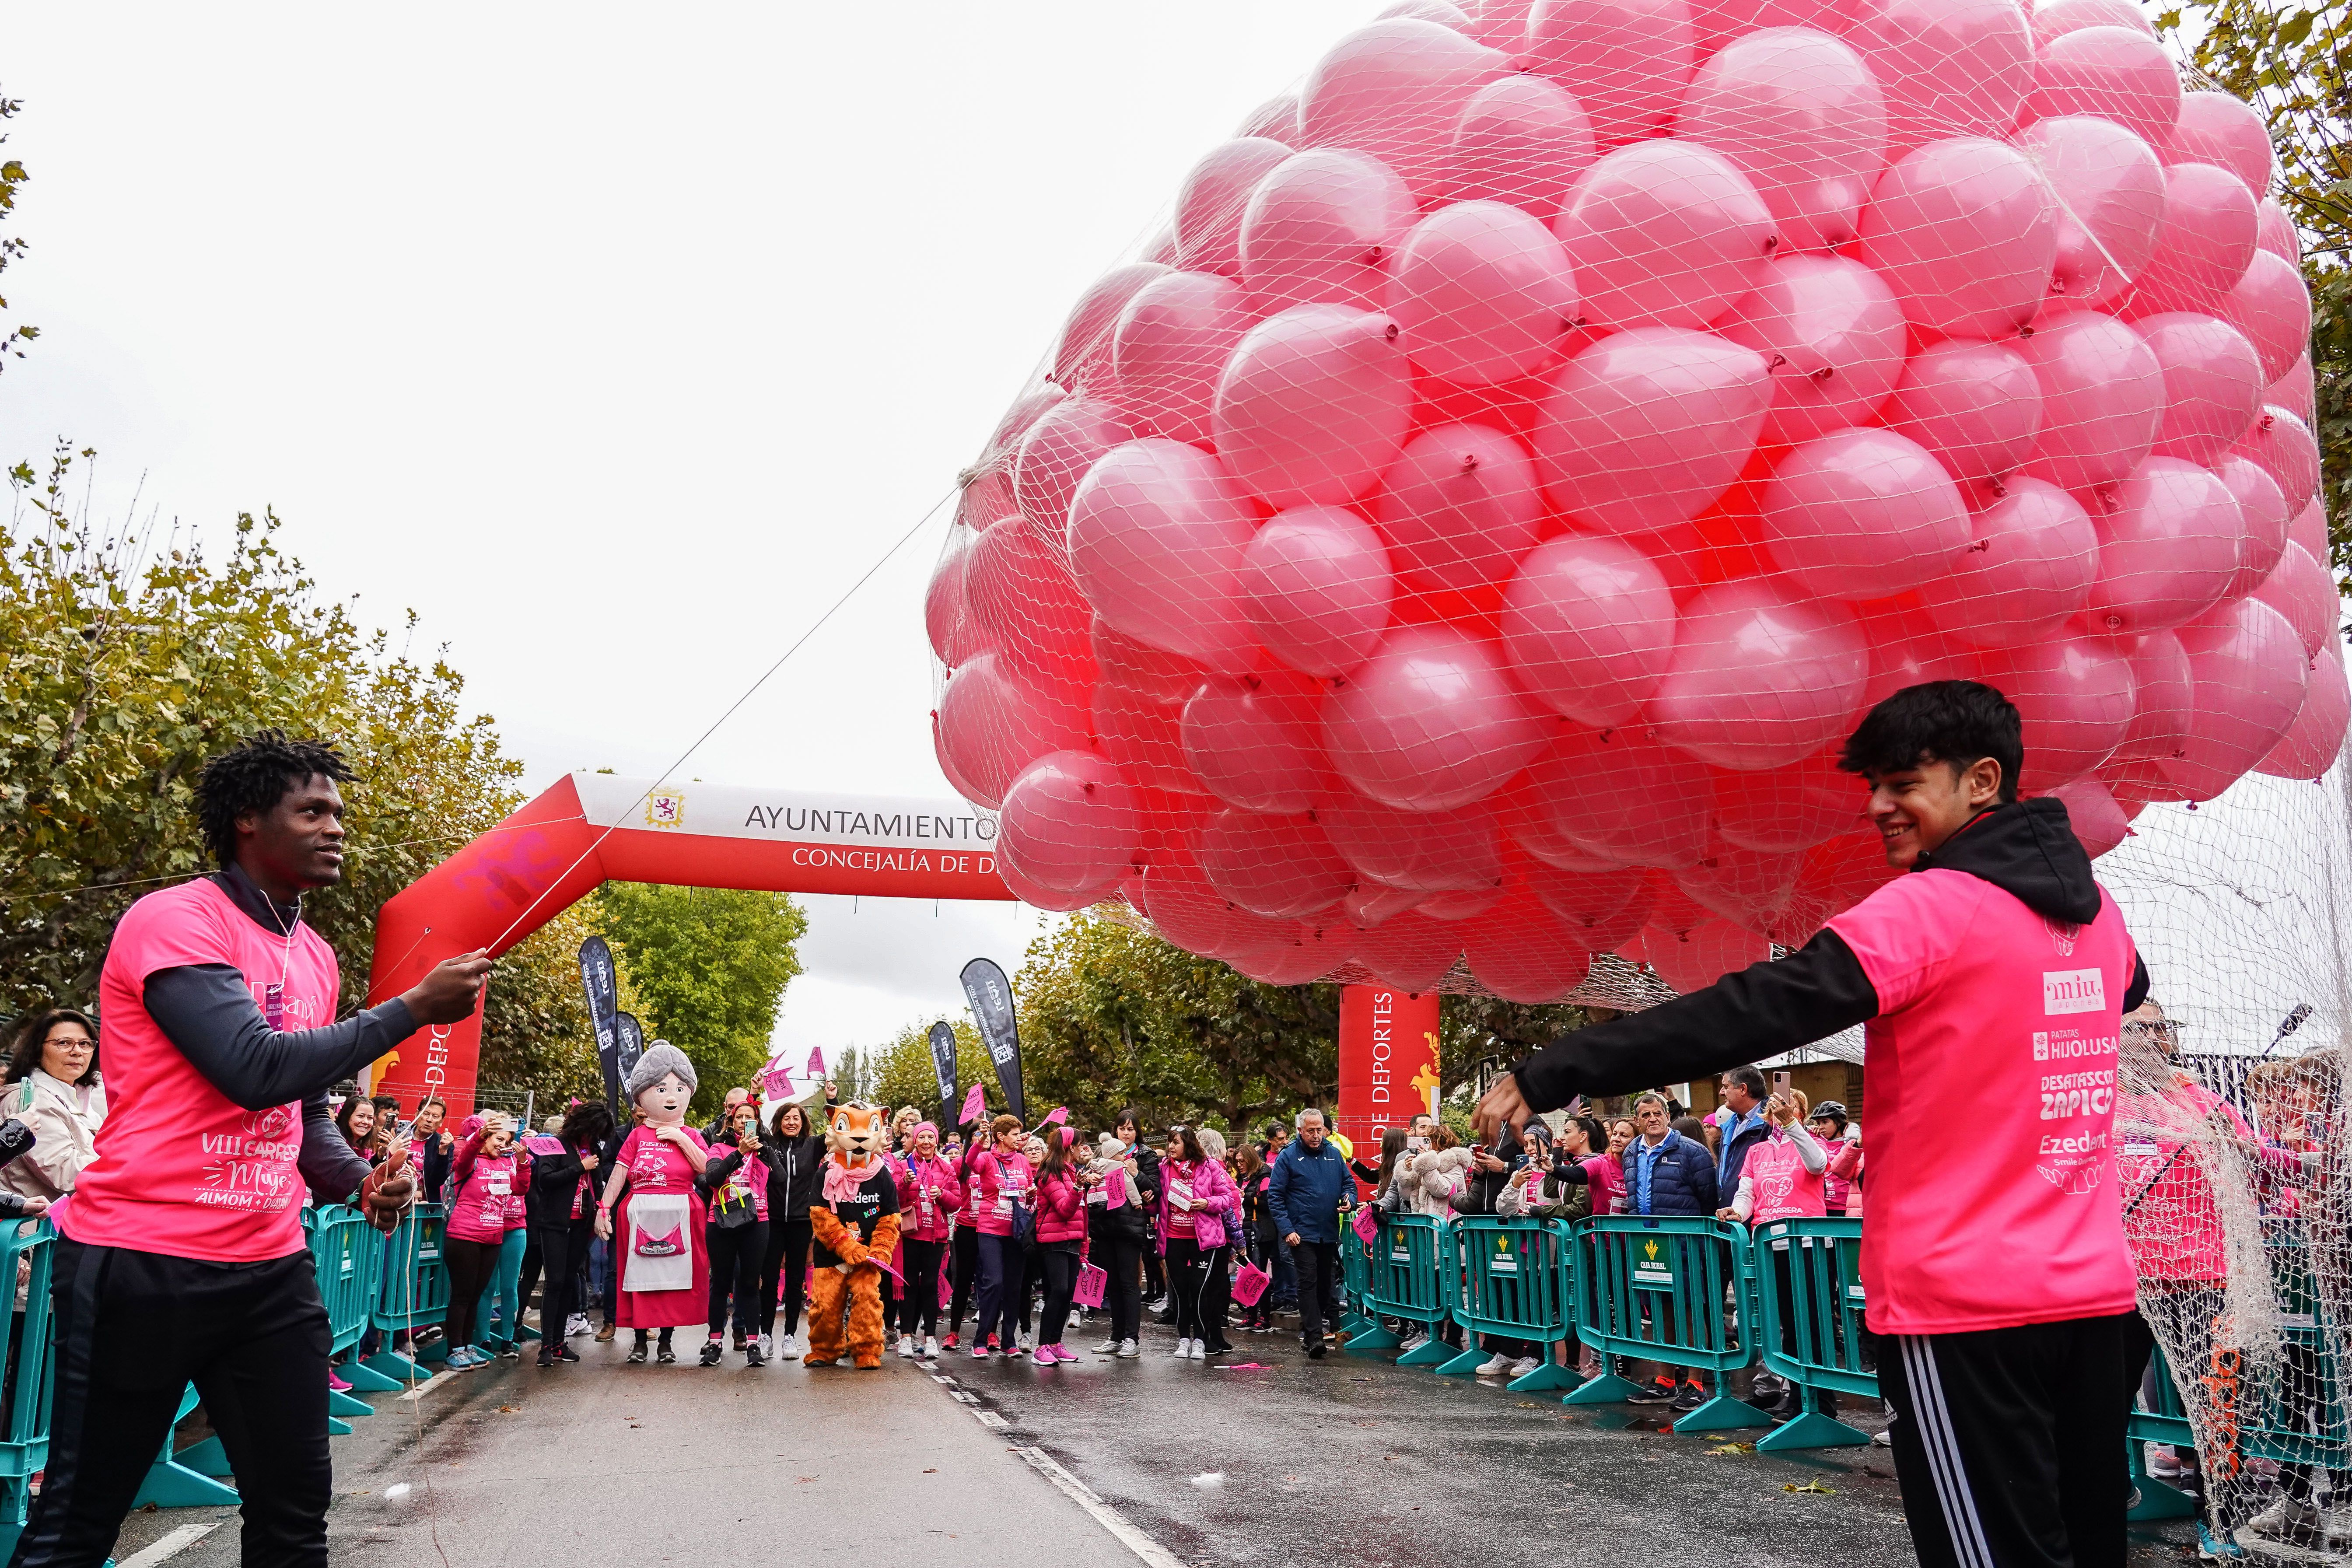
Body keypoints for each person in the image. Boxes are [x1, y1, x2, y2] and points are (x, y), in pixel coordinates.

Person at [1476, 680, 2149, 1568]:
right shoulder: (2099, 918)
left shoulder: (1932, 908)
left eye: (1902, 783)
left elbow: (1750, 1013)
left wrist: (1552, 1071)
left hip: (1966, 1312)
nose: (1877, 806)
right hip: (2096, 1302)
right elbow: (2126, 991)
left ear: (1982, 781)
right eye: (1873, 784)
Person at [16, 731, 485, 1568]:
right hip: (142, 1260)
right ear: (246, 821)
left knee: (296, 1513)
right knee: (80, 1525)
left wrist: (357, 1179)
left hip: (271, 1268)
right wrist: (410, 1007)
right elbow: (249, 1067)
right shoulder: (176, 918)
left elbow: (301, 1111)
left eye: (338, 811)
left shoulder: (315, 954)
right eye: (311, 810)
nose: (335, 826)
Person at [595, 1044, 714, 1365]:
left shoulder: (692, 1134)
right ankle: (638, 1342)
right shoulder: (636, 1136)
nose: (670, 1096)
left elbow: (706, 1168)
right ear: (643, 1096)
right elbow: (620, 1173)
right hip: (639, 1216)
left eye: (678, 1088)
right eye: (661, 1088)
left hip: (682, 1215)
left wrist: (682, 1139)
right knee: (639, 1279)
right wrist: (603, 1209)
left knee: (674, 1281)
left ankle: (666, 1341)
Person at [1614, 1092, 1719, 1409]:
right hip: (1648, 1246)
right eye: (1646, 1115)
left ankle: (1697, 1383)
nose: (1653, 1119)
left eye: (1658, 1113)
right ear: (1638, 1119)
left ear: (1667, 1116)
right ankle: (1665, 1380)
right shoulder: (1632, 1152)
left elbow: (1709, 1199)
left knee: (1690, 1309)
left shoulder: (1692, 1151)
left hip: (1685, 1241)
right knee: (1659, 1309)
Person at [442, 1112, 528, 1368]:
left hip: (493, 1238)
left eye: (506, 1140)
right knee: (462, 1295)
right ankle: (454, 1349)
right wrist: (479, 1136)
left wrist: (523, 1163)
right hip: (464, 1237)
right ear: (485, 1138)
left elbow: (520, 1189)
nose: (502, 1145)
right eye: (497, 1139)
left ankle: (468, 1346)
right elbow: (467, 1154)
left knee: (477, 1295)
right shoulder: (470, 1161)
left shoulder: (504, 1164)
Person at [529, 1100, 610, 1368]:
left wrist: (600, 1210)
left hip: (581, 1223)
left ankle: (559, 1342)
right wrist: (580, 1167)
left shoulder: (592, 1147)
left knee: (568, 1281)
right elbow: (545, 1179)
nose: (595, 1138)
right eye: (593, 1132)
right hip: (555, 1222)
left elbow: (597, 1184)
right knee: (554, 1282)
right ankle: (546, 1344)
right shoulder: (555, 1144)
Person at [1269, 1107, 1352, 1360]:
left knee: (1326, 1282)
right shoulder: (1288, 1157)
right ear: (1300, 1131)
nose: (1316, 1136)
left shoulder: (1334, 1154)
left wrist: (1349, 1199)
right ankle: (1314, 1336)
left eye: (1320, 1130)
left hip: (1327, 1230)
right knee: (1308, 1280)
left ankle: (1323, 1327)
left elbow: (1348, 1183)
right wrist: (1287, 1230)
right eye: (1311, 1131)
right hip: (1301, 1232)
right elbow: (1275, 1196)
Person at [0, 1009, 105, 1205]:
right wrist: (128, 1164)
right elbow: (66, 1173)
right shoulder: (34, 1101)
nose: (77, 1051)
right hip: (37, 1230)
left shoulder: (79, 1098)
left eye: (85, 1044)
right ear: (38, 1052)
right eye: (63, 1043)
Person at [695, 1099, 770, 1366]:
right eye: (739, 1117)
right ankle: (715, 1342)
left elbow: (782, 1180)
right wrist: (738, 1153)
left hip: (757, 1222)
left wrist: (766, 1153)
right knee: (721, 1284)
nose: (743, 1120)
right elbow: (712, 1179)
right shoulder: (718, 1147)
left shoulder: (764, 1150)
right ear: (731, 1121)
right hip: (722, 1222)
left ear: (757, 1123)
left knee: (750, 1284)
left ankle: (753, 1344)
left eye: (749, 1117)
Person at [757, 1099, 823, 1361]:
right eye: (786, 1118)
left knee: (796, 1281)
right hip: (772, 1220)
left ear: (803, 1122)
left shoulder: (813, 1145)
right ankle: (764, 1335)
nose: (791, 1122)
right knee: (770, 1279)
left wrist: (831, 1099)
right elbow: (751, 1125)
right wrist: (754, 1093)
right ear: (779, 1122)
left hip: (800, 1222)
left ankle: (789, 1337)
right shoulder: (768, 1144)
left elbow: (838, 1127)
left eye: (796, 1118)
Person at [894, 1121, 962, 1361]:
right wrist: (904, 1184)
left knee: (931, 1285)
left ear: (937, 1141)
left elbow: (957, 1203)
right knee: (909, 1284)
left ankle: (930, 1338)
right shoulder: (903, 1165)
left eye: (930, 1138)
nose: (925, 1142)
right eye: (921, 1137)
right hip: (911, 1232)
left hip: (936, 1235)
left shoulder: (947, 1168)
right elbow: (894, 1198)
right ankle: (906, 1337)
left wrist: (942, 1194)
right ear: (914, 1140)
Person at [968, 1113, 1031, 1359]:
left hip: (1017, 1231)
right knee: (994, 1282)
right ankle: (980, 1340)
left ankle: (1009, 1341)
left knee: (1014, 1286)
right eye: (1014, 1135)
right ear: (1001, 1136)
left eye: (1019, 1134)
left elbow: (1029, 1186)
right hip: (990, 1229)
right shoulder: (986, 1158)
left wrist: (1032, 1192)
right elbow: (971, 1162)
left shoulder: (1023, 1161)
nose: (1018, 1139)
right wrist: (978, 1141)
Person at [1085, 1131, 1147, 1357]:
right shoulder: (1095, 1169)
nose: (1124, 1155)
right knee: (1113, 1285)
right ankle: (1117, 1337)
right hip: (1105, 1230)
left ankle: (1131, 1339)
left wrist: (1138, 1181)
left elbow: (1144, 1189)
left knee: (1129, 1284)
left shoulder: (1130, 1167)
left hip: (1127, 1230)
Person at [1029, 1127, 1086, 1365]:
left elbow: (1082, 1213)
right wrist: (1076, 1189)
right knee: (1058, 1291)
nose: (1083, 1149)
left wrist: (1084, 1244)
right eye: (1080, 1145)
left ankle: (1056, 1343)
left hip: (1072, 1239)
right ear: (1069, 1147)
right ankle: (1042, 1346)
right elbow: (1064, 1209)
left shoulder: (1071, 1171)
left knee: (1067, 1294)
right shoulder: (1050, 1173)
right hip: (1053, 1241)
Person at [1190, 1127, 1241, 1357]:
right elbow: (1228, 1206)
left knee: (1215, 1287)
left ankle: (1214, 1336)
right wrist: (1238, 1240)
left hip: (1215, 1235)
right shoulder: (1214, 1169)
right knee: (1214, 1288)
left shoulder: (1206, 1169)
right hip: (1216, 1236)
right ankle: (1210, 1336)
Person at [1234, 1141, 1282, 1334]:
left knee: (1259, 1275)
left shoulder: (1264, 1176)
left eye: (1242, 1160)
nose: (1239, 1164)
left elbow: (1268, 1204)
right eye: (1236, 1161)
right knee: (1247, 1275)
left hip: (1262, 1232)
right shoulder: (1240, 1178)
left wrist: (1245, 1197)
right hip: (1243, 1232)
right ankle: (1250, 1315)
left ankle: (1265, 1318)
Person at [1711, 1067, 1772, 1194]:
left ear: (1743, 1089)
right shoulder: (1729, 1126)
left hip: (1758, 1210)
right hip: (1731, 1210)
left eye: (1726, 1087)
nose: (1721, 1092)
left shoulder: (1771, 1123)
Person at [332, 1091, 381, 1161]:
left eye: (370, 1118)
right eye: (361, 1116)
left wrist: (381, 1155)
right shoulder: (335, 1144)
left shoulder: (365, 1150)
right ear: (347, 1117)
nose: (366, 1122)